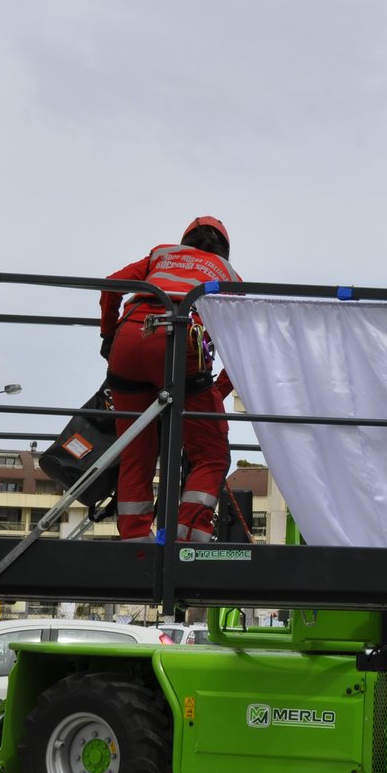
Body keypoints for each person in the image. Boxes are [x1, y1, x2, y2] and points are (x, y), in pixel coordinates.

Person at [99, 216, 241, 542]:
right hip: (180, 346)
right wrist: (213, 394)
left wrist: (108, 335)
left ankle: (135, 544)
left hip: (129, 343)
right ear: (225, 249)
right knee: (211, 455)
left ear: (185, 239)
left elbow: (110, 285)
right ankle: (188, 539)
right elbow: (240, 350)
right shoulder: (230, 275)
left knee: (136, 454)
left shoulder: (161, 255)